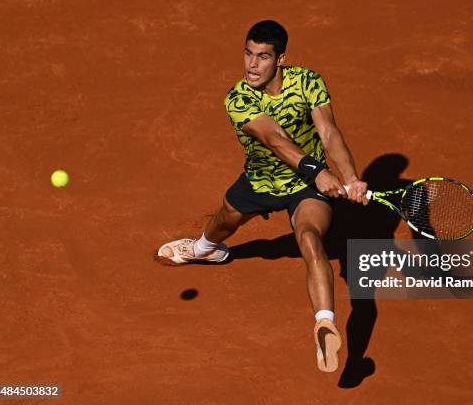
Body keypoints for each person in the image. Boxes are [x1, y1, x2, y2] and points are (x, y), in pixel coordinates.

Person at [157, 20, 368, 372]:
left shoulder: (308, 82)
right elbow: (275, 140)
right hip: (262, 182)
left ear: (281, 59)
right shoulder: (238, 98)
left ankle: (325, 323)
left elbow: (329, 132)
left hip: (306, 190)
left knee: (310, 238)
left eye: (263, 57)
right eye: (248, 54)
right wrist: (321, 172)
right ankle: (203, 250)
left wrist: (350, 176)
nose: (252, 65)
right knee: (225, 218)